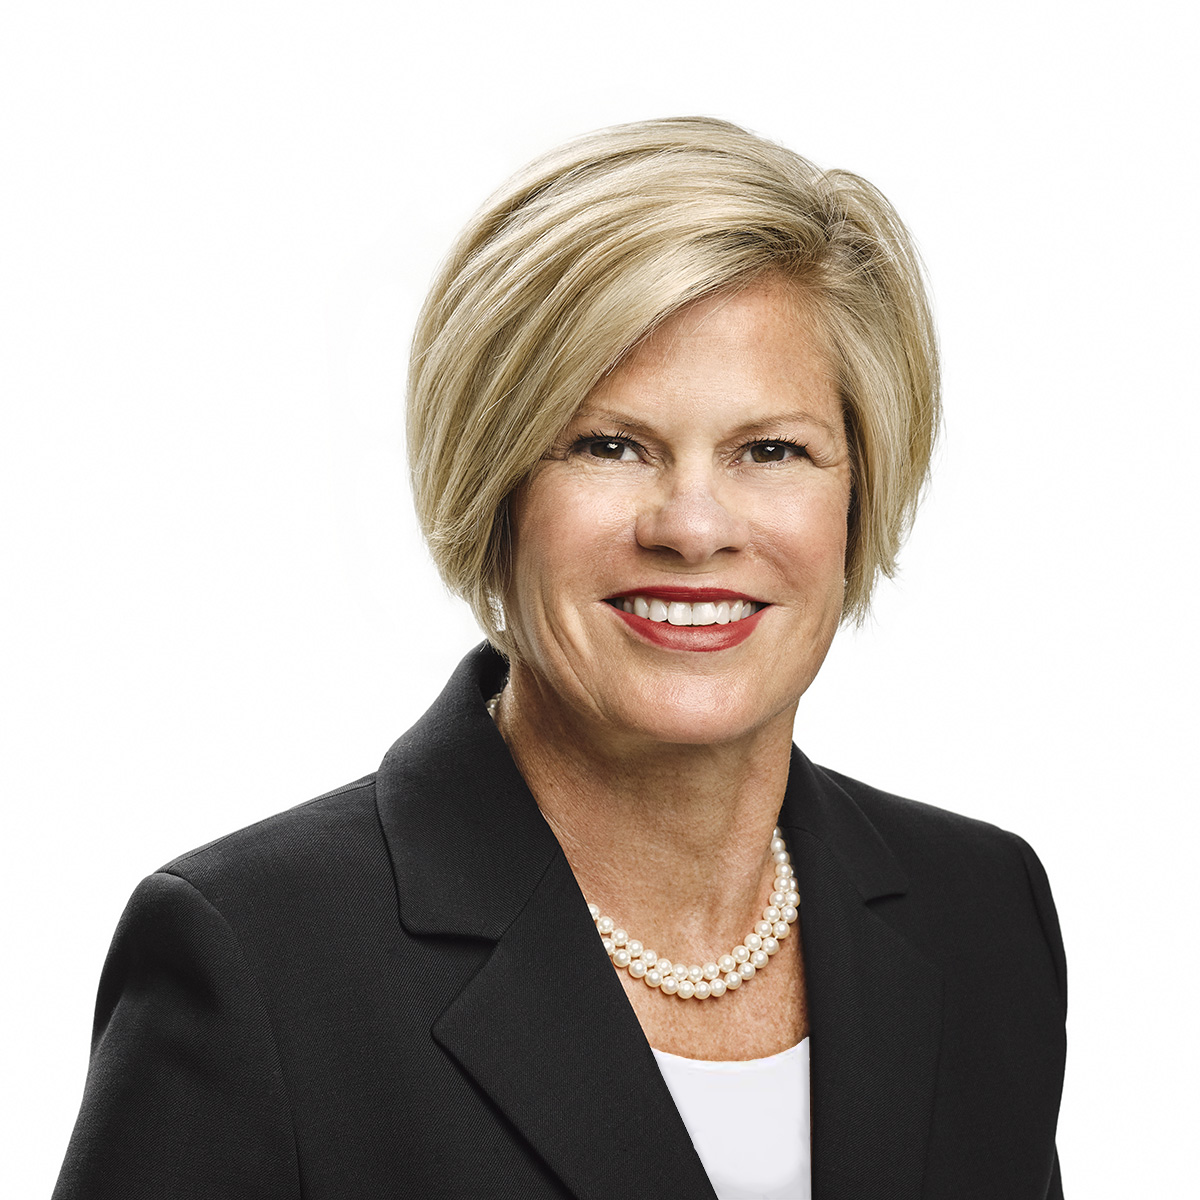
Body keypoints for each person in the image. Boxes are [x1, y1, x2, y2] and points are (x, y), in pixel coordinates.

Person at [54, 117, 1066, 1200]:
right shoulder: (260, 960)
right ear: (495, 487)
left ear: (861, 491)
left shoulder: (979, 914)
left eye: (770, 450)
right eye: (608, 445)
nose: (691, 526)